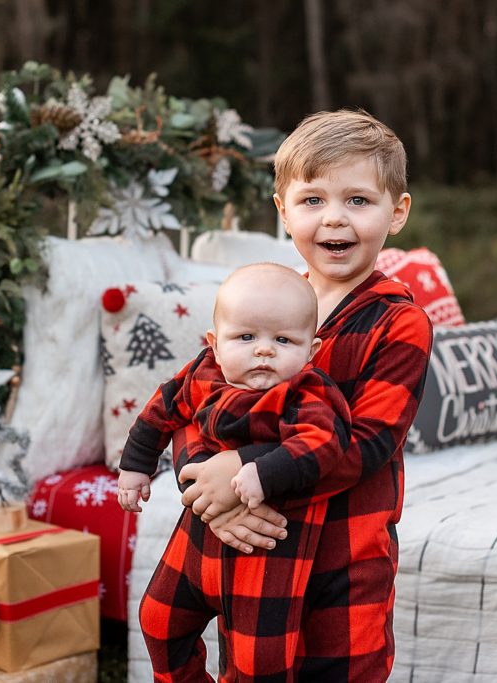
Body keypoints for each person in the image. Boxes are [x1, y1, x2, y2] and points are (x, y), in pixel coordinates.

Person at [177, 109, 434, 681]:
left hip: (344, 556)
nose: (334, 219)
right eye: (313, 200)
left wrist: (245, 469)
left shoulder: (399, 323)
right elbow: (194, 399)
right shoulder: (265, 300)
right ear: (282, 211)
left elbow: (367, 446)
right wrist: (204, 487)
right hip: (256, 549)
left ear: (398, 213)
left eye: (358, 201)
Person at [117, 262, 352, 682]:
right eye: (246, 337)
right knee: (157, 620)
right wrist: (136, 466)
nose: (264, 350)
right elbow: (159, 412)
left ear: (311, 351)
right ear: (215, 343)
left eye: (283, 340)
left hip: (264, 550)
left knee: (259, 666)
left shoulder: (305, 392)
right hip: (197, 537)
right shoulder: (201, 374)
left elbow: (323, 443)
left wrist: (261, 471)